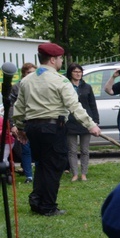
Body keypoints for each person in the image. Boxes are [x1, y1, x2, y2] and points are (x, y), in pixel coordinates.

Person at [12, 43, 101, 216]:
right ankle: (48, 206)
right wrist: (91, 125)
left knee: (42, 165)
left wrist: (21, 129)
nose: (61, 61)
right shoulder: (60, 80)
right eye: (60, 58)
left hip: (32, 127)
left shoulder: (26, 80)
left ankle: (36, 201)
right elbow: (74, 106)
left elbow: (19, 108)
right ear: (53, 60)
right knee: (54, 166)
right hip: (52, 127)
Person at [65, 63, 99, 182]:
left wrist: (95, 121)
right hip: (70, 122)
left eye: (80, 72)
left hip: (86, 121)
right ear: (70, 73)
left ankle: (84, 173)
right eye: (75, 71)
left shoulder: (87, 87)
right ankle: (75, 173)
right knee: (72, 150)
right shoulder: (66, 86)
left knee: (85, 150)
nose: (78, 74)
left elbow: (92, 104)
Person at [9, 62, 36, 183]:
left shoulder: (40, 85)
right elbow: (11, 107)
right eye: (29, 72)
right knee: (26, 149)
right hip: (23, 123)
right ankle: (29, 175)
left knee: (39, 149)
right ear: (23, 74)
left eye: (34, 72)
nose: (31, 75)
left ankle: (41, 174)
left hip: (38, 122)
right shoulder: (17, 87)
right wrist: (13, 124)